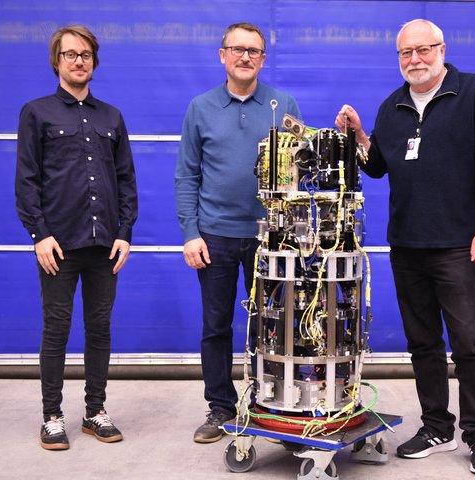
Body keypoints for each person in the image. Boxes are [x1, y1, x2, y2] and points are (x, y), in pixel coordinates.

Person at [336, 19, 475, 476]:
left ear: (441, 48)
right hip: (407, 244)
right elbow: (377, 166)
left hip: (457, 242)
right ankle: (437, 426)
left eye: (423, 49)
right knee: (423, 343)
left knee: (469, 343)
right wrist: (359, 136)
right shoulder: (391, 106)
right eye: (405, 53)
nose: (414, 59)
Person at [175, 22, 301, 443]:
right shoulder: (201, 107)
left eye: (254, 51)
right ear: (223, 55)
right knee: (216, 326)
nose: (245, 57)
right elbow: (186, 176)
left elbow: (298, 175)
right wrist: (191, 232)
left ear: (263, 60)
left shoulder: (284, 106)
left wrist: (293, 232)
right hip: (215, 237)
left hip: (272, 238)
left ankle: (271, 405)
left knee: (275, 325)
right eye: (237, 49)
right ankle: (220, 407)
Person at [15, 25, 138, 450]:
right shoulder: (37, 112)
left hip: (105, 245)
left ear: (94, 61)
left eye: (85, 54)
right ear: (57, 61)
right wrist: (39, 234)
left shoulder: (112, 117)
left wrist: (124, 232)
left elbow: (125, 180)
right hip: (58, 246)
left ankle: (95, 412)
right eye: (70, 54)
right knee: (56, 329)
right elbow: (27, 181)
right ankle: (51, 416)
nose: (79, 61)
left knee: (99, 328)